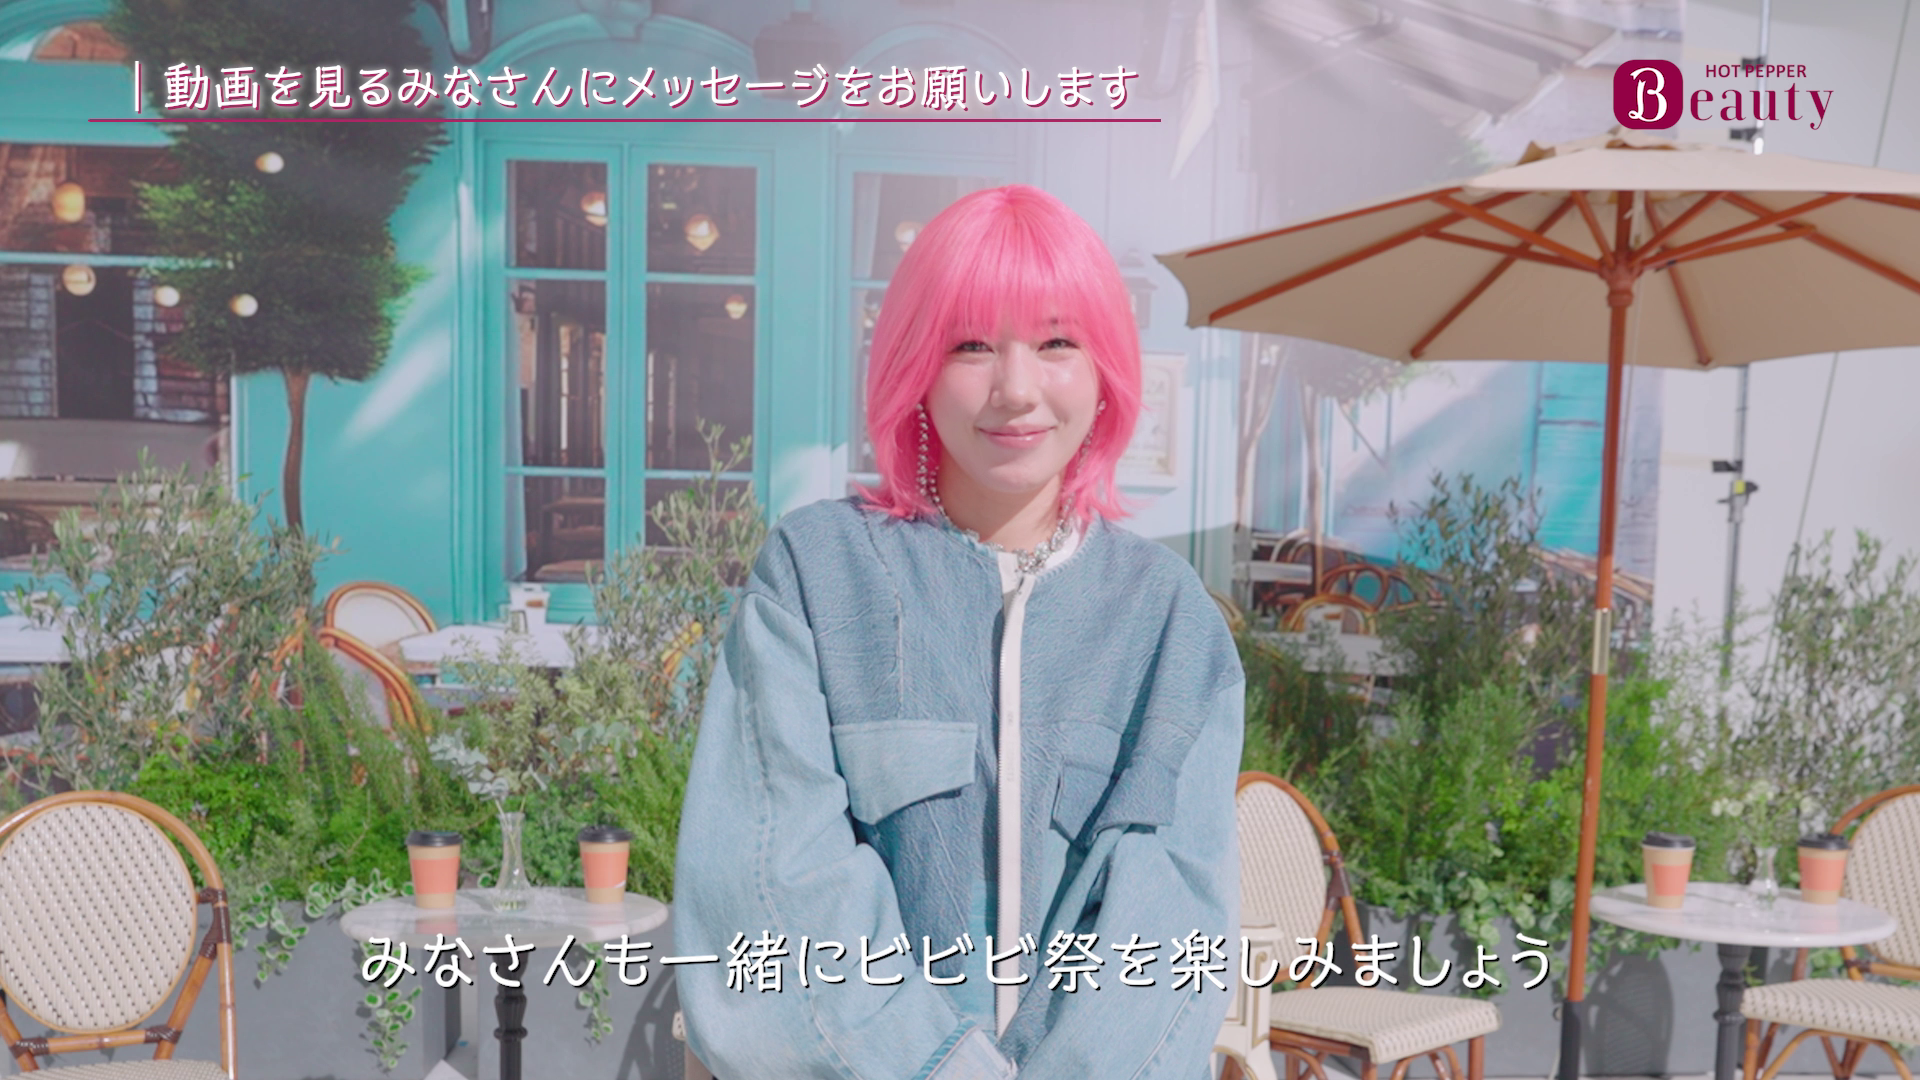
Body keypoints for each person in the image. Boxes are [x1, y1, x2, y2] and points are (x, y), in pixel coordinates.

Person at [674, 184, 1243, 1079]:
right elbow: (769, 886)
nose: (1017, 389)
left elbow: (1170, 928)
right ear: (916, 365)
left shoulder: (1170, 619)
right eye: (972, 344)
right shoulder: (817, 574)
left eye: (1058, 342)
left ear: (1105, 369)